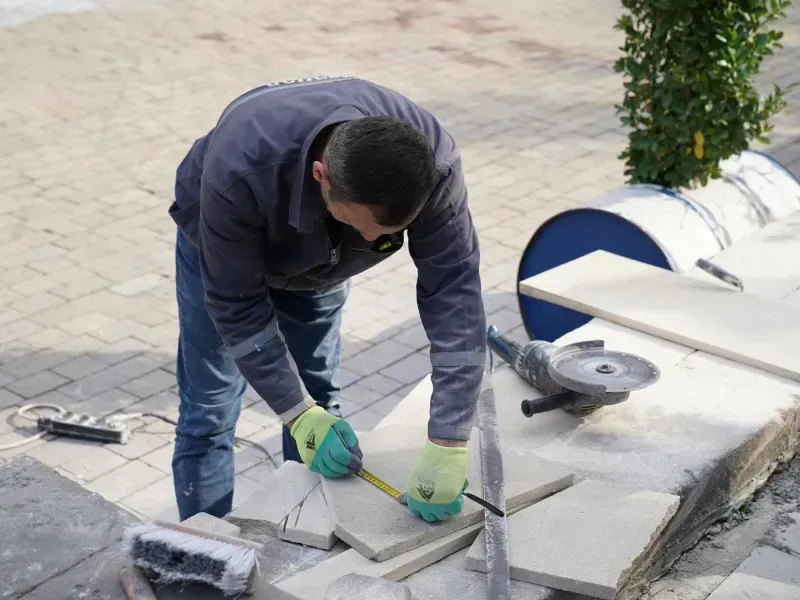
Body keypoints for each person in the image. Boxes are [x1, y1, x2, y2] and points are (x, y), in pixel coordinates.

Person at [169, 75, 486, 524]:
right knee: (211, 410)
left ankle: (301, 532)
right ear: (323, 175)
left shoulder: (435, 165)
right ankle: (205, 548)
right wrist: (295, 413)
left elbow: (454, 289)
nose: (380, 241)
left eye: (392, 233)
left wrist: (449, 440)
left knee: (319, 398)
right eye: (370, 227)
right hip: (223, 248)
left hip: (322, 265)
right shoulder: (238, 168)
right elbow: (237, 308)